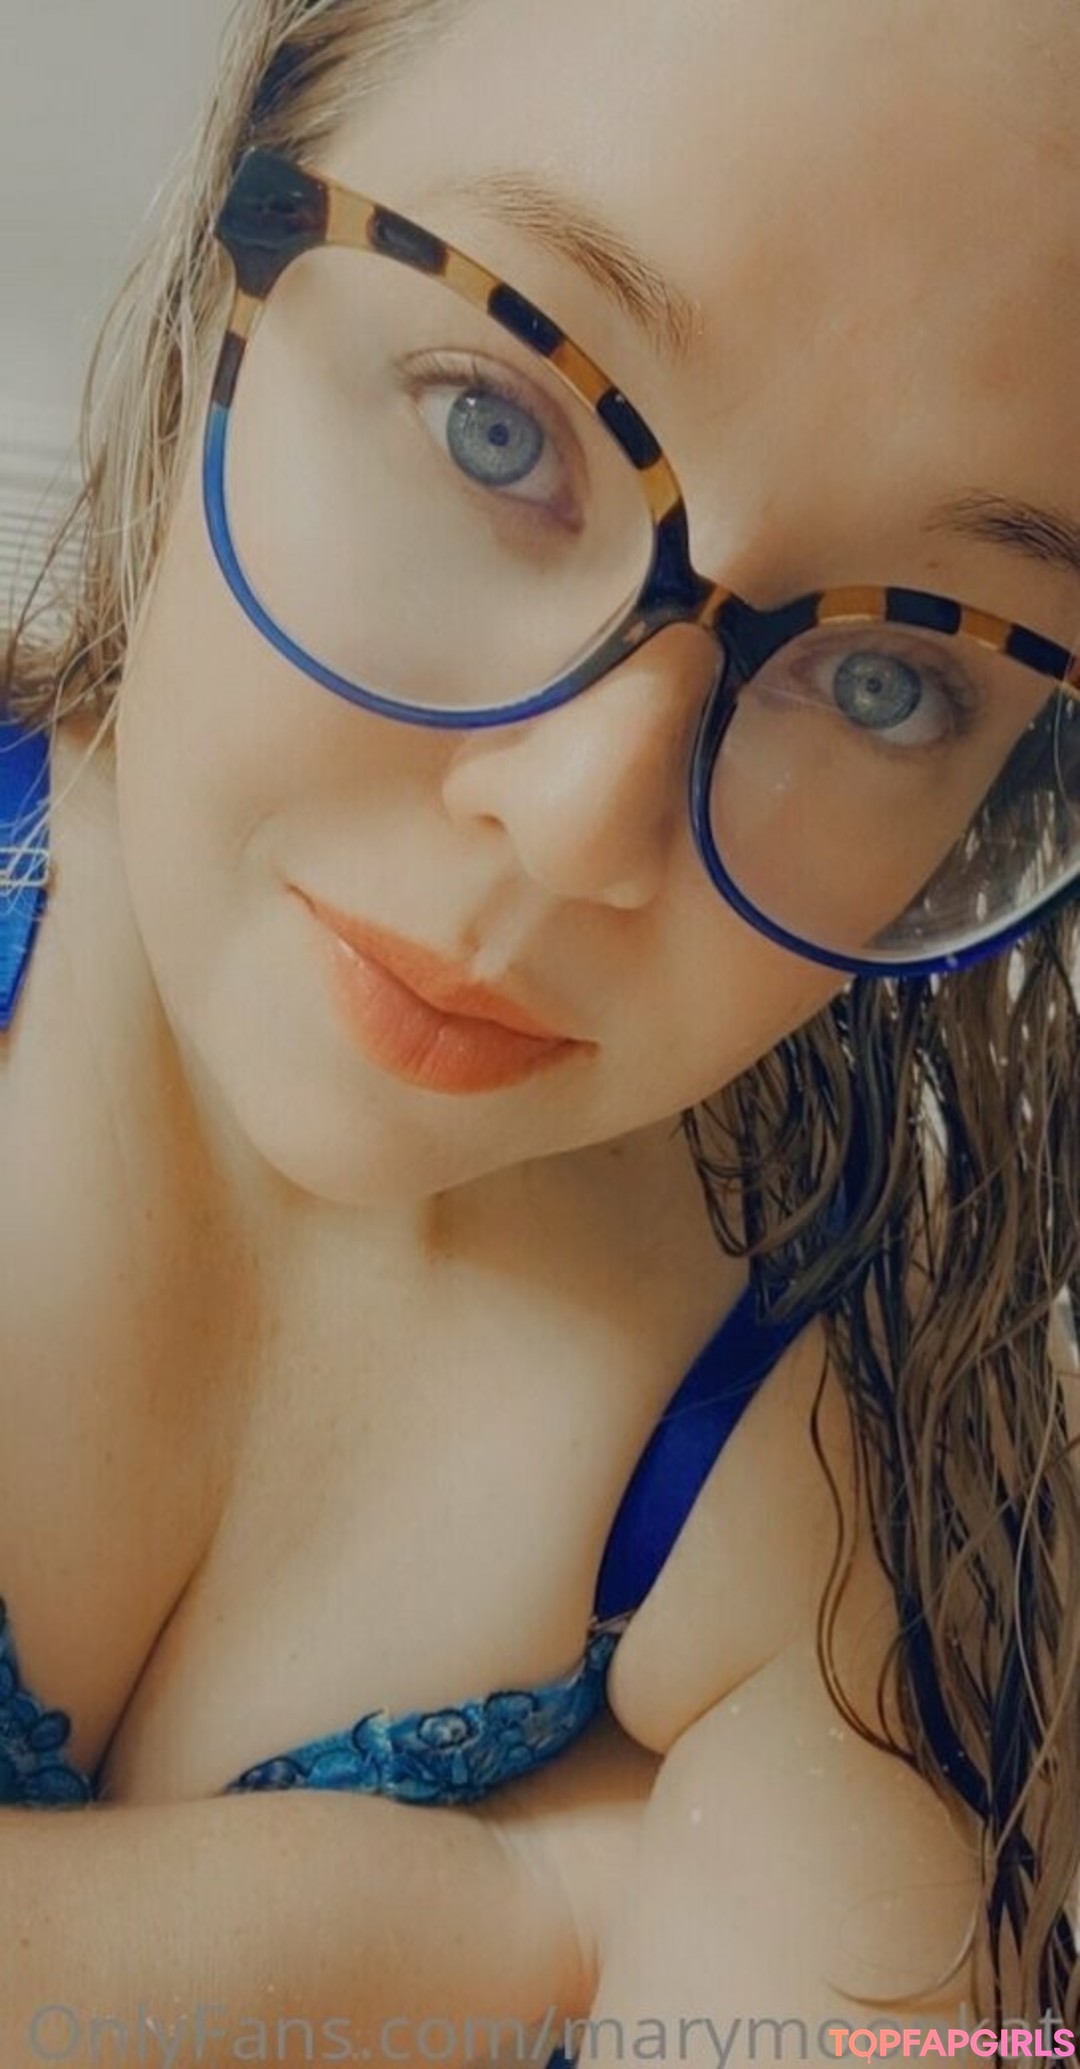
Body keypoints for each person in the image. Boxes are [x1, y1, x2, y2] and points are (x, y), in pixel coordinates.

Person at [1, 0, 1078, 2056]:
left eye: (893, 681)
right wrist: (498, 1913)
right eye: (496, 424)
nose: (585, 819)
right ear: (235, 241)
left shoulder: (825, 1492)